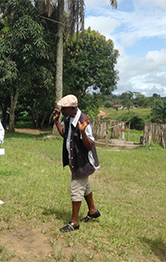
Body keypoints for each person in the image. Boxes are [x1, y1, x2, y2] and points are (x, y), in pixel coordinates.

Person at [53, 94, 101, 232]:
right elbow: (65, 134)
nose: (61, 111)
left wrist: (83, 132)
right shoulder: (69, 119)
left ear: (73, 108)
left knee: (75, 189)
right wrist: (57, 121)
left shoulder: (83, 120)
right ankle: (92, 210)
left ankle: (74, 222)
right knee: (83, 185)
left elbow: (89, 145)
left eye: (64, 109)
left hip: (82, 162)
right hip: (73, 160)